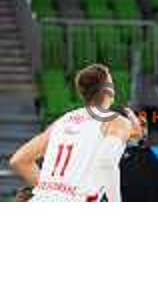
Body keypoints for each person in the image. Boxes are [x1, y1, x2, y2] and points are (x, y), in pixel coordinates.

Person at [9, 64, 141, 202]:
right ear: (108, 90)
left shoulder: (62, 121)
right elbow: (106, 163)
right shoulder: (115, 121)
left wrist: (50, 190)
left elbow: (19, 160)